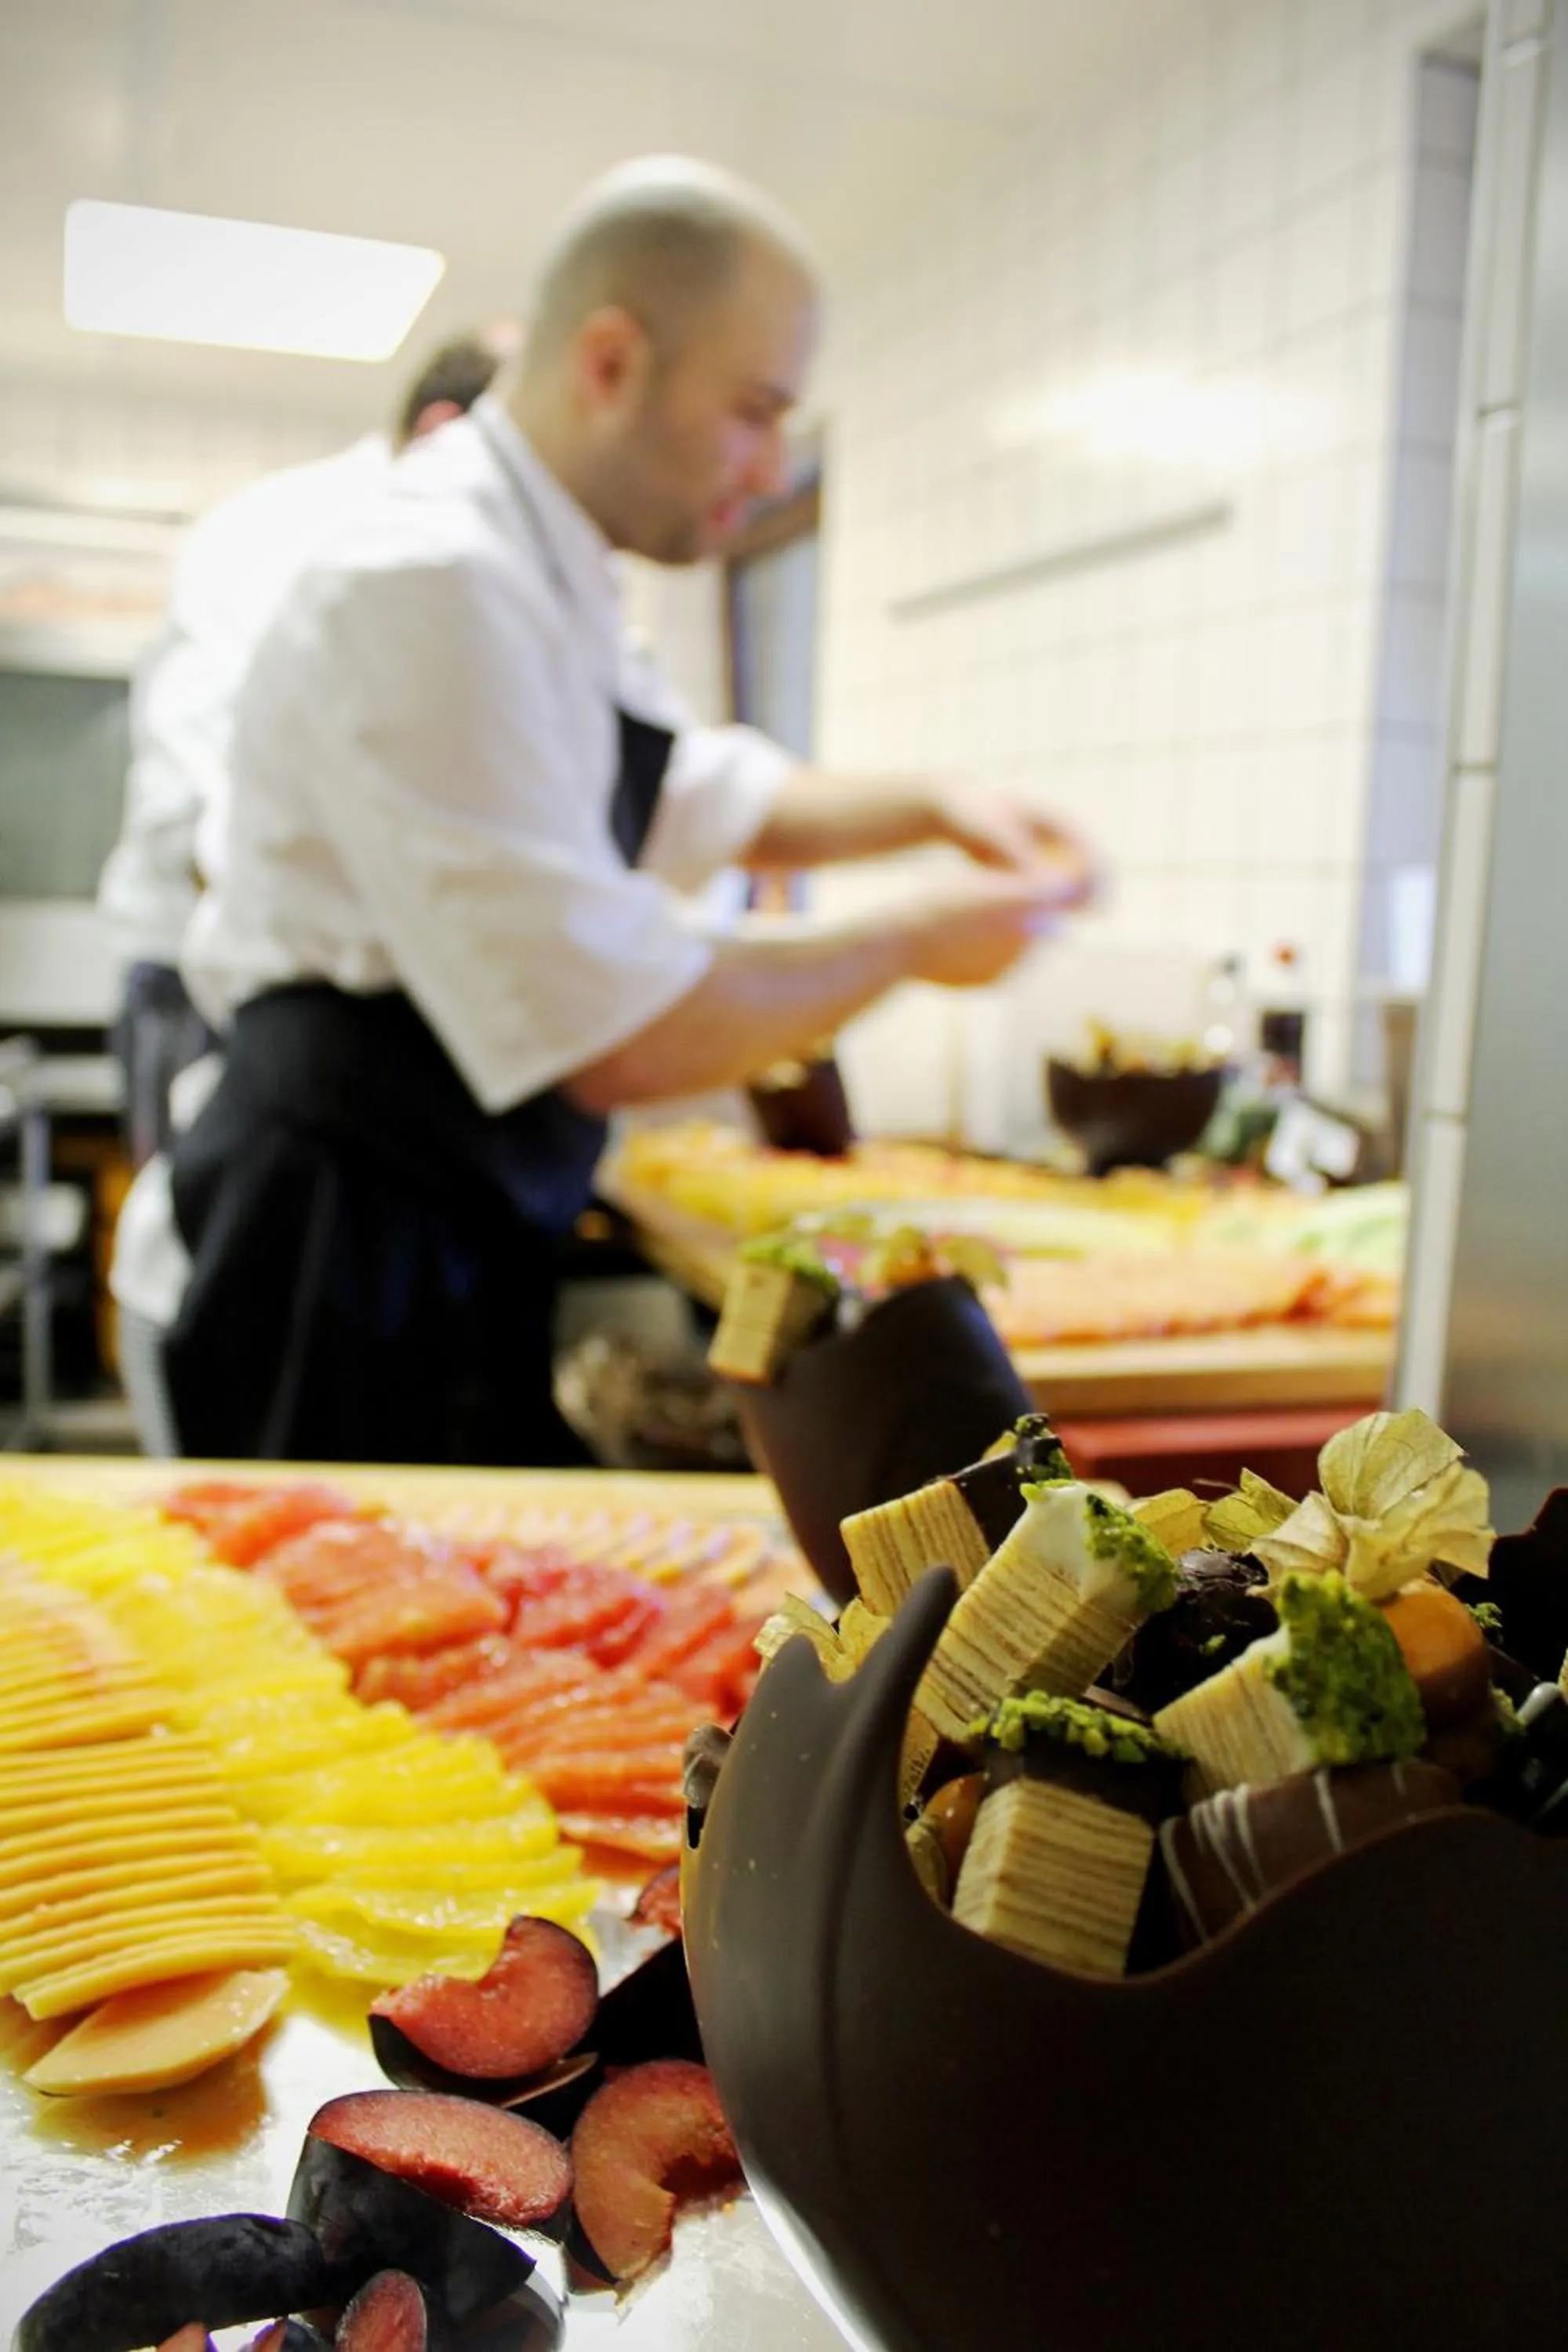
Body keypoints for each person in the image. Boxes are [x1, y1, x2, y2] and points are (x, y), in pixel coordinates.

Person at [164, 156, 1093, 1466]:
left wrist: (940, 805)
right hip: (343, 1227)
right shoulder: (428, 578)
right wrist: (913, 941)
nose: (773, 468)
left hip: (450, 1192)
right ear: (610, 361)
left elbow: (701, 793)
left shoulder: (552, 573)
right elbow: (618, 1030)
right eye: (755, 412)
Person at [97, 332, 509, 1167]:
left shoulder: (457, 568)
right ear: (441, 435)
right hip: (211, 972)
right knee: (210, 1253)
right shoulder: (283, 533)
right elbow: (194, 790)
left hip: (343, 999)